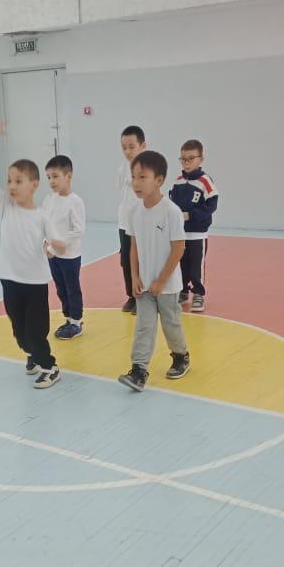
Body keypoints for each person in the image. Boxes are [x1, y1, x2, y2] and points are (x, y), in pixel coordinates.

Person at [0, 121, 63, 389]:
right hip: (9, 280)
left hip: (34, 283)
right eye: (9, 181)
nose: (12, 186)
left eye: (18, 181)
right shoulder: (4, 205)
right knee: (19, 332)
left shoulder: (42, 216)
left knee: (35, 331)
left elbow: (55, 242)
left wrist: (55, 248)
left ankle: (50, 367)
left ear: (34, 184)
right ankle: (32, 354)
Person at [117, 151, 191, 392]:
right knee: (144, 326)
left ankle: (181, 356)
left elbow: (179, 248)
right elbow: (134, 246)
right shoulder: (134, 212)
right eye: (133, 177)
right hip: (145, 284)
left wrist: (161, 281)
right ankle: (139, 370)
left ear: (159, 180)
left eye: (142, 177)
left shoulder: (171, 211)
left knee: (171, 325)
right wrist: (135, 277)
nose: (136, 182)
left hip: (167, 285)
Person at [169, 139, 218, 312]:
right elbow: (172, 205)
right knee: (181, 264)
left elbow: (212, 205)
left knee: (196, 266)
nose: (186, 162)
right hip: (180, 234)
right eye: (183, 159)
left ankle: (198, 293)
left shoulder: (205, 181)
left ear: (200, 159)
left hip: (197, 234)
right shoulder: (178, 181)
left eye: (191, 158)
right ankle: (182, 291)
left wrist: (191, 215)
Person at [42, 155, 86, 340]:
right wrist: (45, 243)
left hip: (69, 256)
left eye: (55, 176)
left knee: (72, 289)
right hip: (53, 256)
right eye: (49, 177)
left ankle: (76, 322)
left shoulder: (75, 201)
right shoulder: (49, 200)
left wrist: (55, 247)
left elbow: (78, 230)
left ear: (68, 176)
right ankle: (68, 318)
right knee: (60, 288)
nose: (51, 181)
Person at [117, 125, 147, 314]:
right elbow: (122, 193)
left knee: (141, 261)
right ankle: (131, 295)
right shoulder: (122, 169)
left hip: (141, 225)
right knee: (126, 261)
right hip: (124, 223)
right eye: (124, 147)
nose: (127, 151)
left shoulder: (147, 169)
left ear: (143, 146)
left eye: (131, 147)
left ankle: (142, 297)